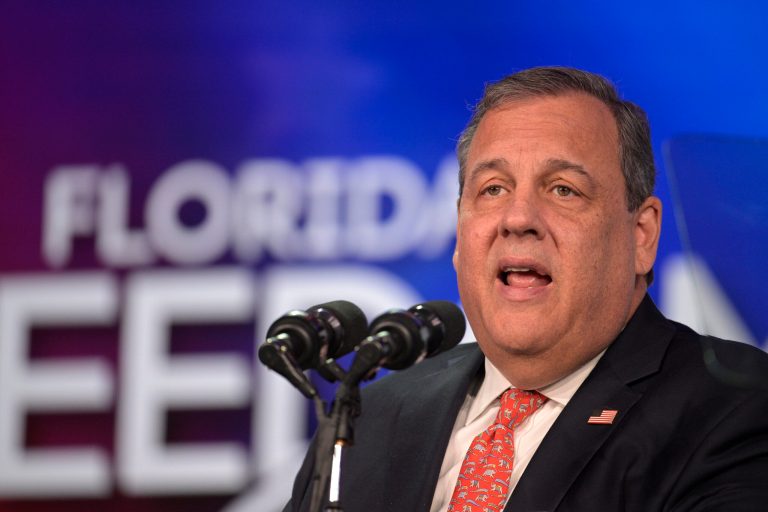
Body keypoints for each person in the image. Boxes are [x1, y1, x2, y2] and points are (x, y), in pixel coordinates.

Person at [283, 66, 768, 512]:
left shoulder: (734, 408)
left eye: (563, 189)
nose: (517, 219)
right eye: (492, 189)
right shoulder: (368, 420)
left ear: (641, 235)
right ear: (459, 229)